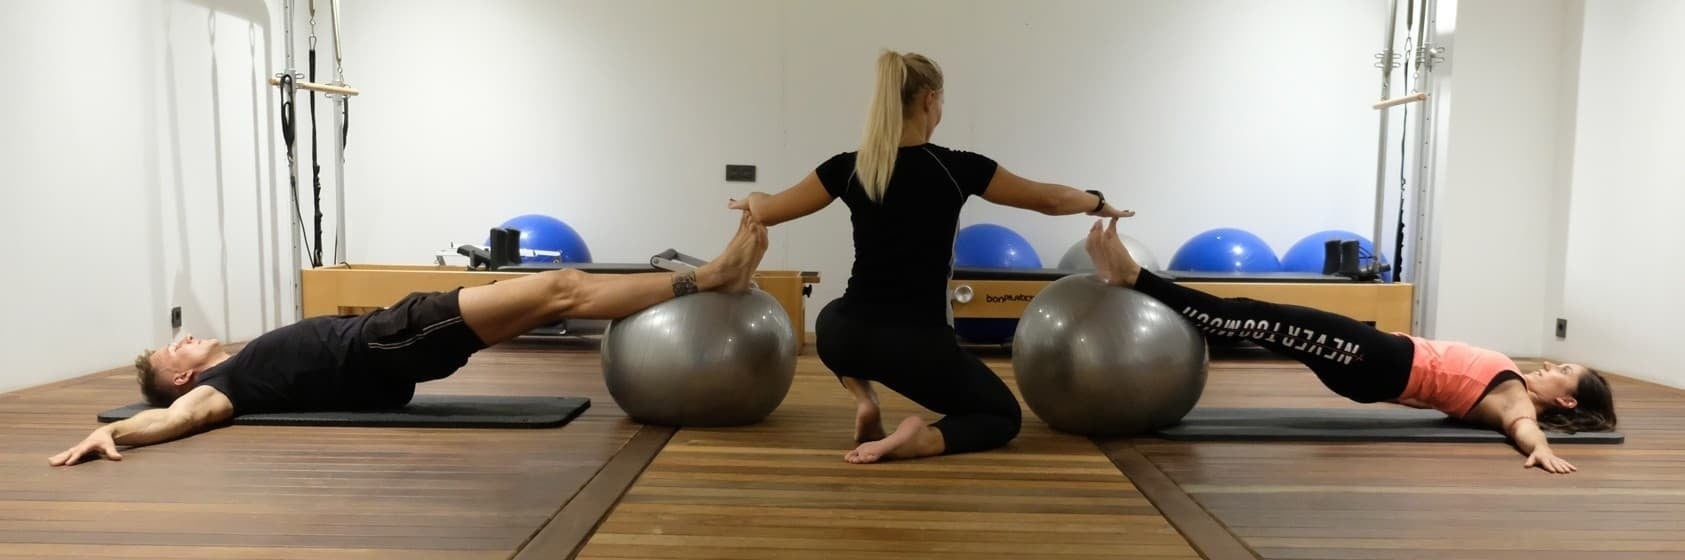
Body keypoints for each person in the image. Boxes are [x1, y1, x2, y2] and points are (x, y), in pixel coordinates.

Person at [50, 213, 769, 467]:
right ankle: (713, 276)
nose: (185, 340)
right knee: (563, 288)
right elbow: (175, 420)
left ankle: (711, 276)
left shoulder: (237, 362)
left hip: (392, 336)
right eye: (173, 349)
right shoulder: (218, 389)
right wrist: (120, 436)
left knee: (558, 296)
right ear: (181, 379)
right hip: (390, 339)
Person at [728, 50, 1134, 464]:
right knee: (1001, 415)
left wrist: (749, 198)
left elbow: (768, 210)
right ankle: (922, 438)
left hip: (847, 336)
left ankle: (864, 398)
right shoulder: (958, 168)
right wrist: (1099, 203)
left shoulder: (849, 167)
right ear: (929, 100)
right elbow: (1048, 199)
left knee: (831, 315)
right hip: (918, 346)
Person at [1082, 217, 1616, 474]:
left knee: (1255, 318)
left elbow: (1521, 425)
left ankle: (1136, 278)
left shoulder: (1516, 400)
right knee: (1259, 323)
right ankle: (1137, 280)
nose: (1549, 364)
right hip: (1374, 362)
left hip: (1378, 360)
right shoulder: (1515, 387)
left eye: (1562, 369)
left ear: (1566, 400)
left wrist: (1540, 447)